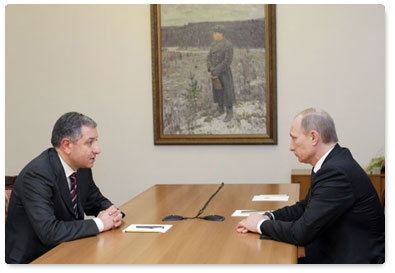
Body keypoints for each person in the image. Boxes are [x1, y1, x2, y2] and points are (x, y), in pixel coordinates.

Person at [236, 108, 385, 263]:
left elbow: (301, 233)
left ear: (313, 137)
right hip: (337, 248)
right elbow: (304, 208)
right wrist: (269, 216)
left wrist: (260, 224)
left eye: (294, 139)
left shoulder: (336, 172)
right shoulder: (332, 162)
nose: (291, 147)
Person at [5, 112, 124, 263]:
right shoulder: (37, 175)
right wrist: (100, 223)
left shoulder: (82, 168)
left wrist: (114, 214)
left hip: (68, 251)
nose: (97, 149)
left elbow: (95, 202)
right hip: (32, 260)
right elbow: (49, 232)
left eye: (96, 141)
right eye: (90, 142)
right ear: (67, 145)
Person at [207, 24, 236, 122]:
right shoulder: (212, 44)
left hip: (224, 73)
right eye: (213, 33)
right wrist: (210, 68)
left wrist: (217, 70)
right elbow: (209, 57)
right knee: (217, 91)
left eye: (216, 33)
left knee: (227, 92)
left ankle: (229, 112)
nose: (213, 35)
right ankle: (220, 109)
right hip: (215, 72)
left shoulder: (228, 45)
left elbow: (227, 61)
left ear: (221, 34)